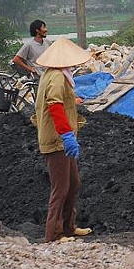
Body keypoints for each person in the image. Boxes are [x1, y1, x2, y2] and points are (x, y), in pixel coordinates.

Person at [33, 37, 93, 243]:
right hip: (56, 140)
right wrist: (66, 134)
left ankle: (69, 226)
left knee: (73, 183)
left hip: (62, 138)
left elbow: (61, 101)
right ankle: (54, 234)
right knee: (61, 188)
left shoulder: (57, 75)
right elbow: (55, 105)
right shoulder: (57, 77)